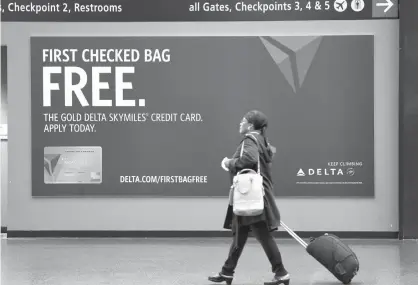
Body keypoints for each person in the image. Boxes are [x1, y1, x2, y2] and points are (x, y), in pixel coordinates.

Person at [208, 110, 290, 285]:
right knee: (240, 233)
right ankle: (227, 272)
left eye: (242, 121)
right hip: (258, 195)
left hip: (250, 196)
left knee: (262, 236)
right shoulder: (263, 141)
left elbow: (248, 160)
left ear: (251, 125)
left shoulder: (249, 140)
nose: (240, 124)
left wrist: (228, 163)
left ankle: (281, 273)